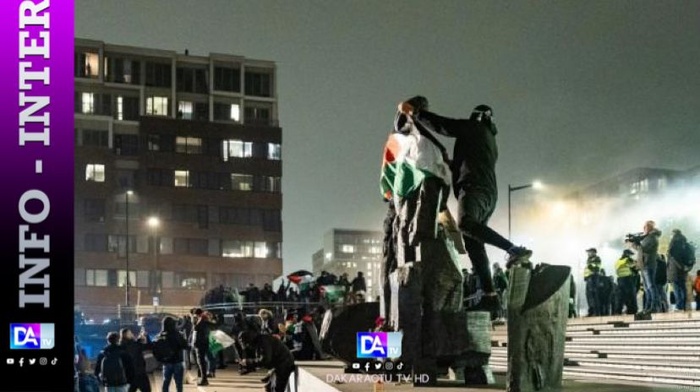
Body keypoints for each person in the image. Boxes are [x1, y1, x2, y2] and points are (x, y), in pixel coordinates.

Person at [397, 101, 532, 312]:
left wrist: (416, 113)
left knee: (466, 224)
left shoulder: (475, 128)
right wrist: (451, 163)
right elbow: (470, 160)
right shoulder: (487, 139)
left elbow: (445, 126)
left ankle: (514, 249)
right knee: (474, 243)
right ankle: (490, 296)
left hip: (474, 187)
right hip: (486, 192)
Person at [627, 220, 662, 314]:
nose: (643, 228)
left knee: (651, 286)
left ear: (650, 227)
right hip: (644, 265)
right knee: (647, 288)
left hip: (648, 264)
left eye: (645, 227)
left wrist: (633, 244)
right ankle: (648, 307)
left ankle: (654, 306)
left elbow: (643, 249)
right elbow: (641, 249)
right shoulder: (648, 237)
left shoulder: (652, 238)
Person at [157, 316, 188, 392]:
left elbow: (157, 348)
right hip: (177, 361)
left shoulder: (161, 335)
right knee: (178, 384)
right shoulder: (177, 334)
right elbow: (185, 345)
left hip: (166, 362)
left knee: (166, 382)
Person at [119, 328, 151, 392]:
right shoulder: (135, 345)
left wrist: (139, 340)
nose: (132, 334)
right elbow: (149, 346)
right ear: (126, 335)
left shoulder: (121, 346)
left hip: (129, 375)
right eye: (130, 333)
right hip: (140, 373)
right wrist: (146, 336)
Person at [667, 229, 690, 311]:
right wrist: (684, 267)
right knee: (682, 287)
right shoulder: (684, 242)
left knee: (677, 288)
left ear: (674, 234)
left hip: (675, 269)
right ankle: (684, 305)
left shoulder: (675, 243)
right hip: (682, 270)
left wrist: (680, 267)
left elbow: (674, 258)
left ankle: (679, 306)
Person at [192, 308, 213, 386]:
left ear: (197, 314)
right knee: (201, 362)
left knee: (201, 362)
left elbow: (196, 330)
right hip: (203, 343)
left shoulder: (201, 320)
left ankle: (204, 380)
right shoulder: (204, 320)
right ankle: (203, 379)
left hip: (200, 344)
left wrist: (194, 323)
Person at [615, 249, 638, 315]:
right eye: (630, 254)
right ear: (628, 254)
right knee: (631, 296)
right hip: (628, 279)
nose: (630, 256)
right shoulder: (628, 260)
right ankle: (632, 310)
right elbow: (635, 267)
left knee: (621, 296)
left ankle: (618, 310)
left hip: (620, 280)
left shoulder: (618, 261)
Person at [583, 248, 602, 316]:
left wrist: (590, 266)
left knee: (593, 295)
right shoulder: (589, 260)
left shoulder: (597, 259)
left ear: (594, 252)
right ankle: (591, 311)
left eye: (589, 252)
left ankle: (595, 312)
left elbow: (596, 269)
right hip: (589, 278)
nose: (588, 253)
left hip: (593, 278)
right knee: (589, 295)